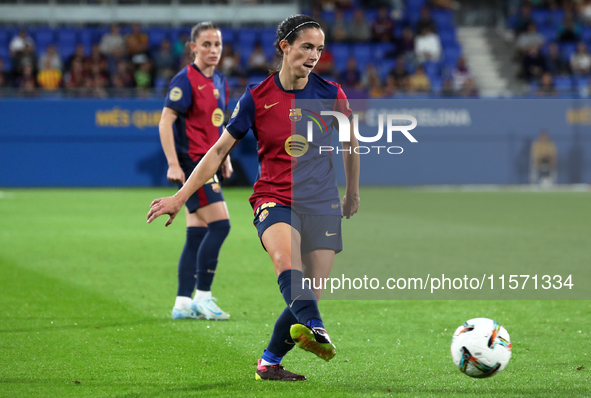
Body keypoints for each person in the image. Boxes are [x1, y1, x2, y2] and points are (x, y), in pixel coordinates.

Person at [147, 14, 360, 381]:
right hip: (274, 198)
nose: (314, 55)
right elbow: (216, 153)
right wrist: (181, 196)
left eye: (319, 49)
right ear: (285, 47)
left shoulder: (331, 94)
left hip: (322, 202)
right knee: (285, 261)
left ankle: (269, 362)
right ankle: (318, 328)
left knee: (308, 292)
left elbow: (351, 144)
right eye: (307, 46)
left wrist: (352, 193)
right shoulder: (257, 97)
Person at [158, 22, 233, 321]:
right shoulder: (185, 80)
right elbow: (165, 121)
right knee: (221, 226)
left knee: (196, 235)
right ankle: (202, 296)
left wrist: (224, 156)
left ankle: (182, 303)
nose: (213, 50)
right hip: (192, 162)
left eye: (217, 44)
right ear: (193, 48)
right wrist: (174, 163)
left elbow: (218, 125)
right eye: (206, 45)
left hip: (210, 161)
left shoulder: (221, 82)